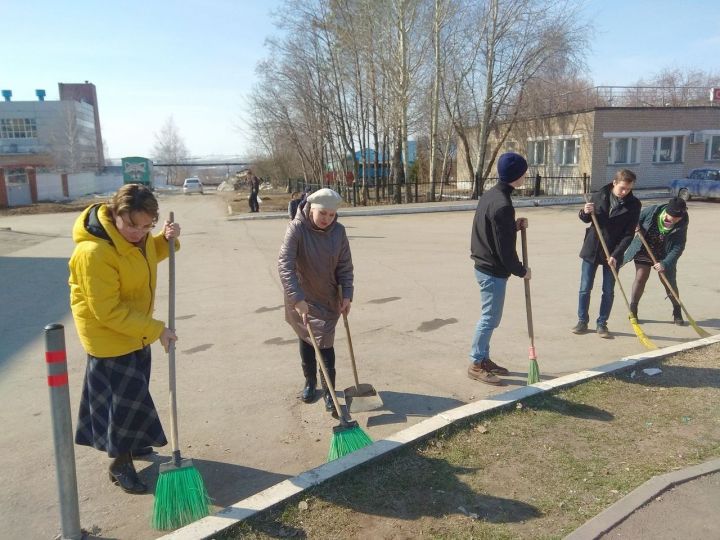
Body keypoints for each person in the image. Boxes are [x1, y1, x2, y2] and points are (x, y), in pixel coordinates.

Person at [68, 183, 181, 494]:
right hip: (108, 337)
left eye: (148, 226)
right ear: (115, 214)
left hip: (134, 330)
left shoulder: (135, 239)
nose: (139, 232)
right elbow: (107, 311)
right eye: (133, 224)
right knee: (123, 403)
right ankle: (120, 464)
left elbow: (140, 261)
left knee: (136, 392)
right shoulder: (94, 252)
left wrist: (164, 241)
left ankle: (135, 444)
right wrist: (157, 328)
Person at [278, 188, 353, 411]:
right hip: (301, 296)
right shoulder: (297, 228)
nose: (327, 219)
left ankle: (329, 390)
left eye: (331, 215)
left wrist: (347, 294)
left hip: (328, 296)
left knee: (326, 344)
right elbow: (285, 264)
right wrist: (297, 298)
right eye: (323, 214)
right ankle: (310, 382)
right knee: (307, 340)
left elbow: (345, 266)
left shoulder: (338, 232)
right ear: (312, 208)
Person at [468, 152, 531, 386]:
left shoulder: (492, 195)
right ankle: (476, 363)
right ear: (517, 175)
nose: (526, 175)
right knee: (489, 319)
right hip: (492, 269)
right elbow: (505, 249)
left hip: (485, 263)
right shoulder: (502, 203)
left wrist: (512, 227)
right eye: (524, 172)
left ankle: (483, 358)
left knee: (490, 317)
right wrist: (521, 270)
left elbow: (494, 231)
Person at [572, 169, 641, 338]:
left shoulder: (634, 205)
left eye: (629, 189)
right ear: (614, 183)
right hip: (592, 248)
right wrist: (584, 212)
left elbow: (628, 234)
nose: (625, 192)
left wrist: (616, 254)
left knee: (608, 290)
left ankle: (602, 323)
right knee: (584, 288)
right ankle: (582, 321)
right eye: (622, 188)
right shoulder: (598, 196)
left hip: (613, 252)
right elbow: (587, 220)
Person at [623, 197, 689, 325]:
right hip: (644, 247)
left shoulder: (682, 223)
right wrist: (635, 225)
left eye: (677, 218)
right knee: (641, 277)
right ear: (666, 211)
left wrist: (665, 263)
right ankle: (633, 309)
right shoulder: (652, 211)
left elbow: (678, 247)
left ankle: (677, 310)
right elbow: (635, 220)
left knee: (667, 281)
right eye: (672, 216)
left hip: (665, 252)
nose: (674, 220)